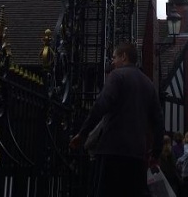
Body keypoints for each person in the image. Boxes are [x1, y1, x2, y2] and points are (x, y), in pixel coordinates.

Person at [69, 42, 164, 197]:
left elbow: (101, 105)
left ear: (124, 57)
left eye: (114, 57)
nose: (112, 62)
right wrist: (155, 153)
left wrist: (83, 133)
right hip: (137, 155)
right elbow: (158, 122)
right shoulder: (149, 84)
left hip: (112, 151)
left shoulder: (117, 76)